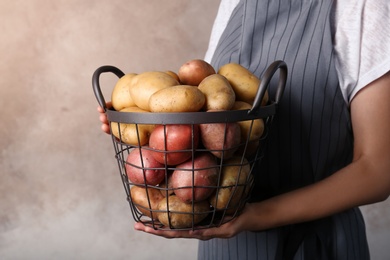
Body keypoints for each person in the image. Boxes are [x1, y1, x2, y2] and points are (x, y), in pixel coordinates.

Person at [97, 0, 390, 259]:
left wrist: (257, 215)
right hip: (225, 244)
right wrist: (143, 125)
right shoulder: (235, 3)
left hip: (315, 244)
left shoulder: (363, 7)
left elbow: (379, 171)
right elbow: (210, 114)